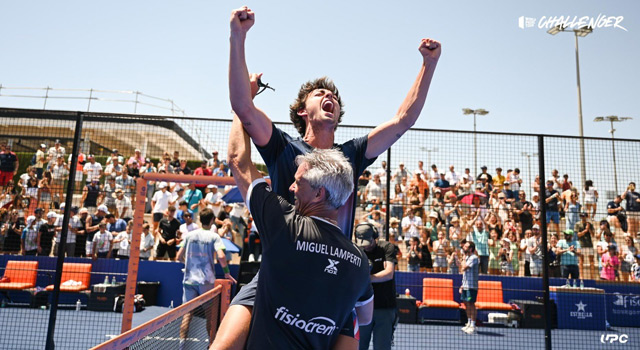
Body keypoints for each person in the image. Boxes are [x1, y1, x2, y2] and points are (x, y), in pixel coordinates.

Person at [222, 5, 440, 348]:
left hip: (334, 276)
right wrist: (238, 37)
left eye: (334, 97)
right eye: (320, 94)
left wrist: (428, 65)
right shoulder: (283, 148)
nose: (330, 97)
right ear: (301, 111)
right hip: (280, 276)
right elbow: (242, 107)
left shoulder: (349, 155)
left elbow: (402, 121)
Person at [224, 120, 374, 349]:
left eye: (298, 182)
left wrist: (239, 112)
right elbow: (364, 317)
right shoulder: (360, 261)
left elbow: (237, 160)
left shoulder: (284, 223)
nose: (292, 188)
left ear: (318, 195)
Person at [177, 208, 236, 350]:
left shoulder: (189, 235)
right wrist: (227, 273)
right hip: (206, 281)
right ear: (211, 220)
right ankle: (212, 345)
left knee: (187, 315)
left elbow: (178, 256)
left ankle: (181, 346)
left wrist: (188, 264)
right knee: (210, 314)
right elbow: (221, 256)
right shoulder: (214, 236)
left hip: (189, 280)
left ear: (199, 219)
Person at [354, 221, 397, 350]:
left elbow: (389, 273)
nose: (365, 247)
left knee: (382, 346)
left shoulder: (387, 248)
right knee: (359, 346)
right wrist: (378, 276)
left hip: (384, 307)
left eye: (369, 242)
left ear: (375, 237)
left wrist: (366, 279)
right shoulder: (356, 250)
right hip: (362, 306)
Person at [460, 240, 479, 335]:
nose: (464, 248)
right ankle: (468, 323)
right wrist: (462, 285)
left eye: (466, 246)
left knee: (471, 304)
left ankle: (473, 325)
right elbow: (464, 273)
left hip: (472, 286)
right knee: (466, 304)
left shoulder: (474, 258)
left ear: (470, 249)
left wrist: (463, 259)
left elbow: (464, 268)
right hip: (465, 285)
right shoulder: (467, 257)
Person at [575, 212, 596, 280]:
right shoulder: (578, 224)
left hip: (589, 244)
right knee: (581, 261)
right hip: (581, 244)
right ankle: (581, 276)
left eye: (584, 216)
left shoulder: (590, 224)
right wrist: (585, 230)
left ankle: (592, 277)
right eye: (581, 216)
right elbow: (578, 235)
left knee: (591, 261)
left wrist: (589, 228)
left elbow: (593, 235)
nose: (583, 217)